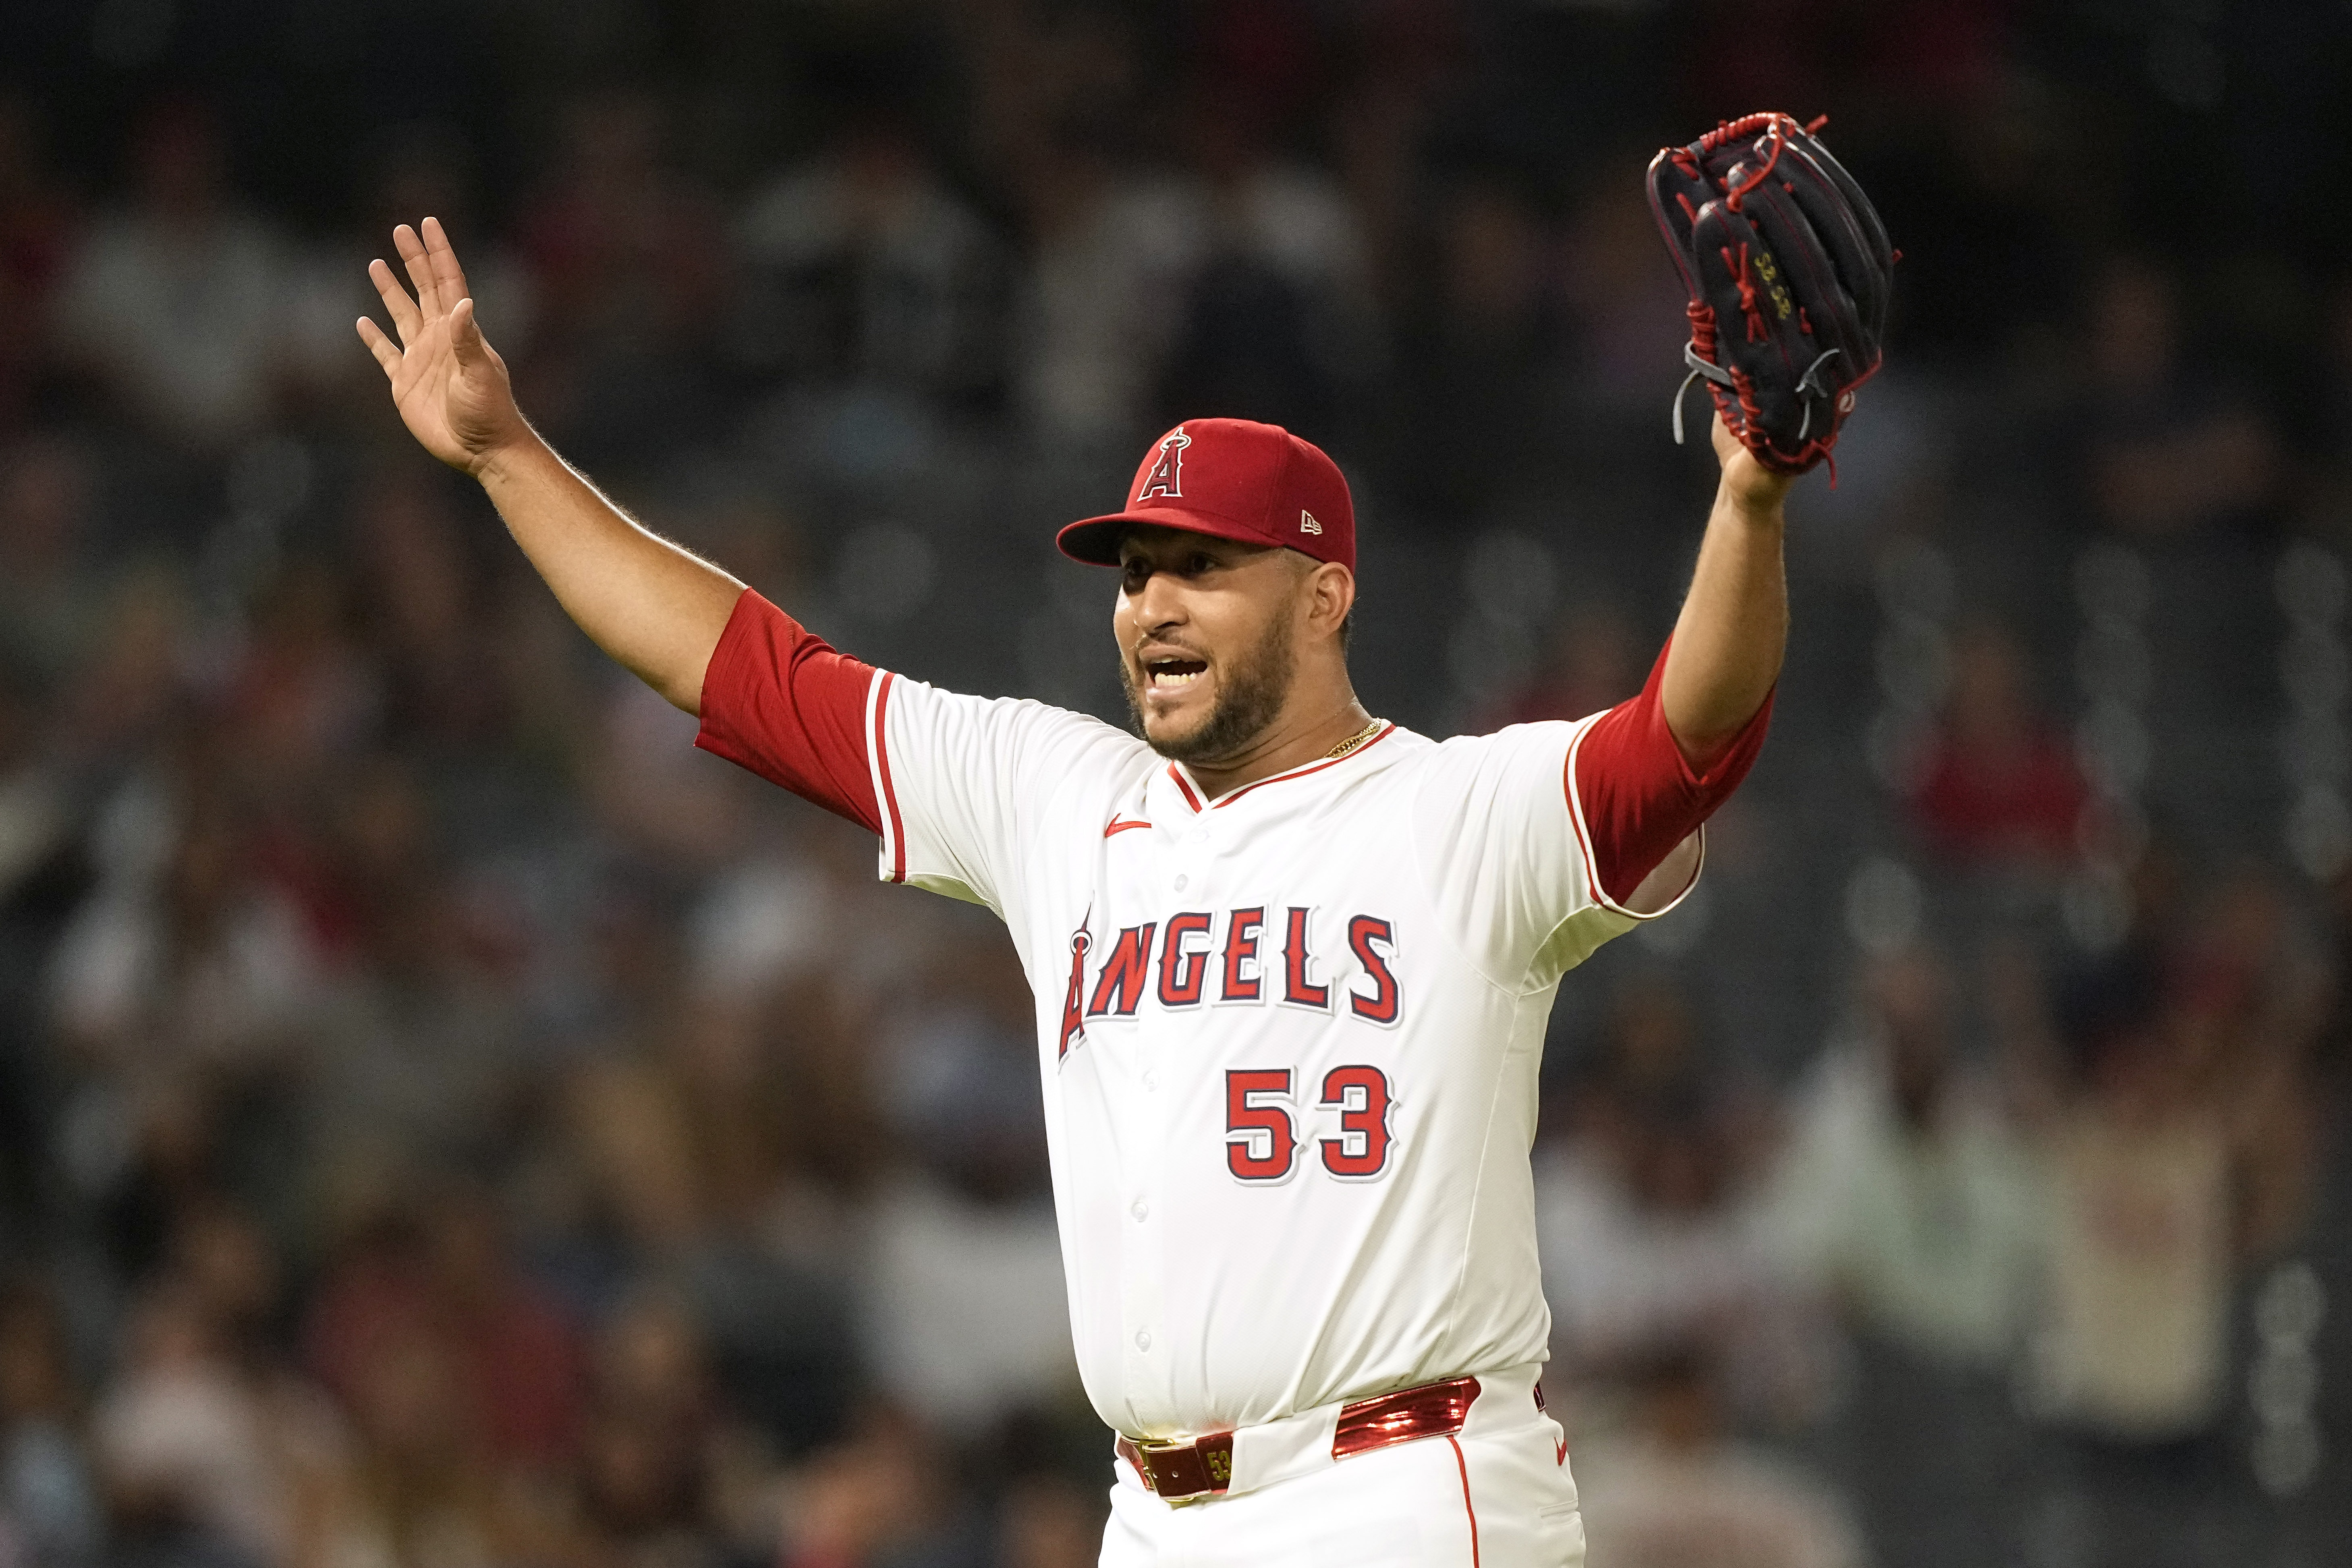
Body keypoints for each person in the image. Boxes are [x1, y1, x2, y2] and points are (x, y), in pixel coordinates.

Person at [355, 216, 1794, 1567]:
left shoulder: (1459, 809)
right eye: (1134, 572)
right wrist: (506, 458)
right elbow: (743, 674)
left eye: (1201, 568)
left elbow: (1690, 738)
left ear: (1324, 595)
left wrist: (1748, 495)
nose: (1152, 603)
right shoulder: (1062, 797)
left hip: (1404, 1489)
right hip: (1154, 1509)